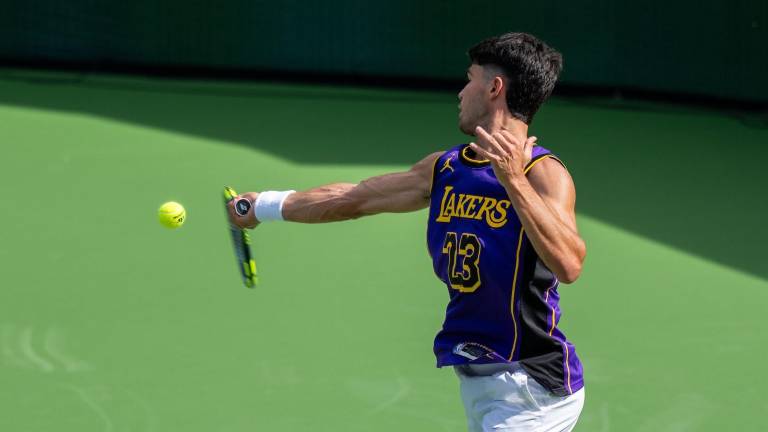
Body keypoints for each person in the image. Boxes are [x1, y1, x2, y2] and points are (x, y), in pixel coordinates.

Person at [228, 32, 586, 432]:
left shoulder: (542, 173)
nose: (461, 92)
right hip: (481, 383)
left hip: (533, 388)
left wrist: (513, 181)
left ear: (494, 88)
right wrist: (261, 206)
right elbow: (355, 198)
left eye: (469, 79)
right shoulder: (447, 169)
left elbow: (569, 264)